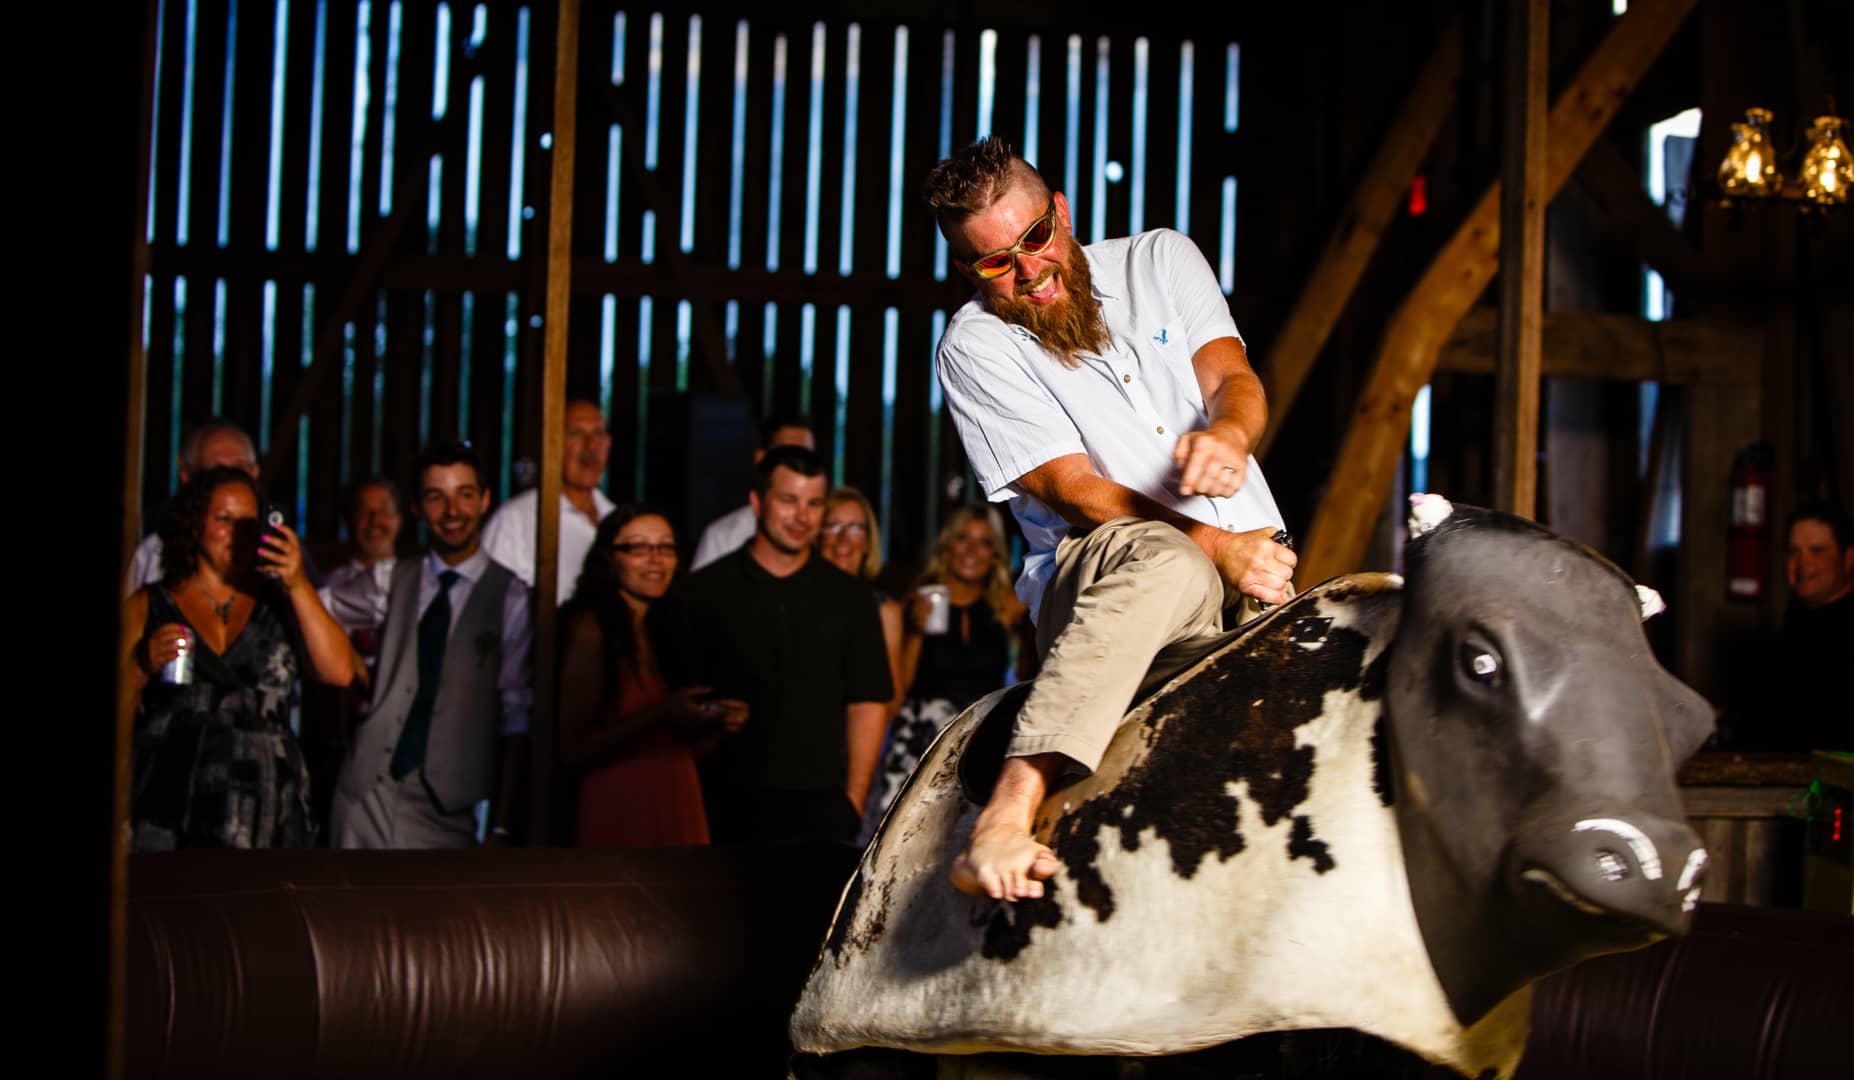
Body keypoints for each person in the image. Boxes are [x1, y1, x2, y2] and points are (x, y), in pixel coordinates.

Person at [926, 137, 1296, 899]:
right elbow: (1073, 488)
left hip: (1259, 571)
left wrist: (1230, 434)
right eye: (996, 263)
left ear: (1061, 212)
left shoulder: (1160, 258)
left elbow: (1230, 376)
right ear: (968, 269)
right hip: (1105, 572)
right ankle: (1007, 811)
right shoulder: (973, 345)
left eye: (1036, 237)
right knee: (1169, 560)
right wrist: (1217, 545)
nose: (1029, 271)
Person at [652, 445, 894, 845]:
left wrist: (852, 801)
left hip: (820, 804)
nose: (802, 517)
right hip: (725, 801)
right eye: (788, 500)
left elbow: (867, 702)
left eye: (814, 504)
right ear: (756, 502)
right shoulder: (704, 592)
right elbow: (674, 702)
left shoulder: (850, 597)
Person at [118, 466, 364, 850]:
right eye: (224, 519)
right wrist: (141, 666)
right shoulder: (150, 604)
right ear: (194, 525)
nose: (237, 534)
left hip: (266, 800)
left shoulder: (281, 601)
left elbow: (339, 673)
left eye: (248, 522)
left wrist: (297, 583)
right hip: (170, 799)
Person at [331, 442, 533, 849]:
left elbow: (515, 716)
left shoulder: (512, 598)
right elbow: (316, 606)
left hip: (451, 810)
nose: (452, 511)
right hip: (364, 797)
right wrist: (354, 666)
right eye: (436, 497)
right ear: (416, 508)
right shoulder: (390, 579)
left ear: (485, 500)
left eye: (465, 494)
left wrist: (501, 825)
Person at [558, 504, 747, 847]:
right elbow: (571, 748)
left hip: (675, 793)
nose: (656, 559)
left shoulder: (669, 626)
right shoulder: (591, 629)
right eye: (639, 548)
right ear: (610, 559)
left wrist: (716, 721)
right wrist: (662, 714)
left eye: (665, 547)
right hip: (618, 803)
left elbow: (686, 745)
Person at [858, 505, 1029, 842]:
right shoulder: (917, 602)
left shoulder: (1006, 607)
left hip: (980, 740)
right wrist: (915, 631)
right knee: (903, 843)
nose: (971, 550)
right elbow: (900, 688)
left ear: (995, 554)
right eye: (963, 538)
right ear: (948, 546)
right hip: (920, 738)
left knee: (967, 842)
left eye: (984, 542)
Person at [480, 399, 615, 603]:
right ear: (552, 443)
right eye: (576, 433)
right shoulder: (515, 521)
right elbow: (488, 605)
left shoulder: (617, 518)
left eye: (598, 433)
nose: (591, 445)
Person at [124, 419, 262, 596]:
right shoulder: (155, 555)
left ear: (255, 473)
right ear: (186, 474)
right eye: (215, 473)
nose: (229, 485)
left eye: (239, 472)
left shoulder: (280, 554)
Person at [1768, 502, 1853, 751]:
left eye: (1817, 551)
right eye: (1794, 552)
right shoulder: (1795, 620)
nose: (1803, 564)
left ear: (1848, 558)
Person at [690, 412, 818, 571]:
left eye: (807, 456)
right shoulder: (724, 536)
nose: (800, 466)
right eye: (788, 455)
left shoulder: (828, 532)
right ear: (761, 458)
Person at [819, 486, 906, 717]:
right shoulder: (798, 600)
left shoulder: (884, 610)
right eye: (833, 526)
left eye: (855, 528)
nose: (843, 539)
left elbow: (893, 703)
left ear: (868, 541)